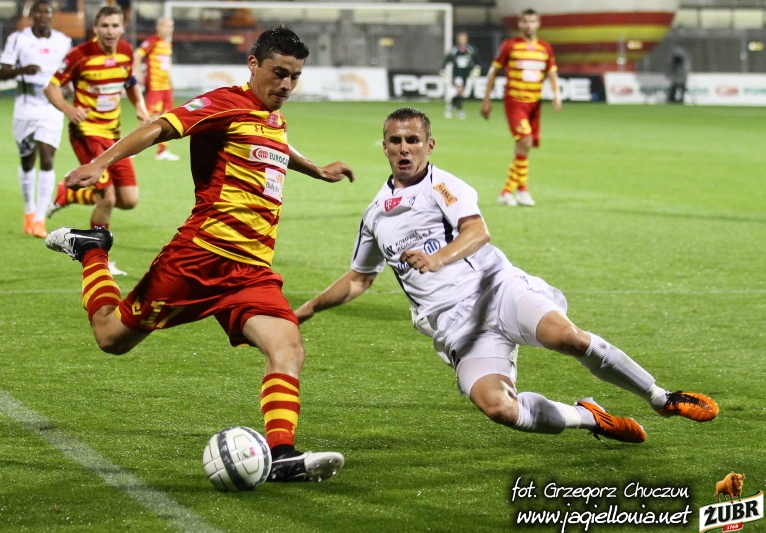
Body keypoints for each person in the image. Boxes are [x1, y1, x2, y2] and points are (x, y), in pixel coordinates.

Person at [295, 107, 718, 445]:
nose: (404, 149)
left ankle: (660, 397)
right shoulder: (374, 216)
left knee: (568, 337)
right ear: (384, 147)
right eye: (395, 141)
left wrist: (438, 259)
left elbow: (477, 231)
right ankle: (590, 417)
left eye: (413, 140)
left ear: (429, 145)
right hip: (455, 326)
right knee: (498, 407)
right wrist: (308, 309)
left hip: (497, 289)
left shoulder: (443, 186)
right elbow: (360, 278)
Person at [45, 26, 352, 483]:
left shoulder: (272, 118)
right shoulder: (223, 104)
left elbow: (278, 149)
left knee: (288, 348)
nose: (287, 85)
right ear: (253, 65)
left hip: (251, 270)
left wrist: (317, 170)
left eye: (295, 76)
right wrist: (101, 162)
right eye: (279, 73)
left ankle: (282, 454)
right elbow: (158, 127)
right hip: (199, 258)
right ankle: (92, 249)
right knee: (111, 337)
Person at [43, 5, 148, 243]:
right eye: (105, 26)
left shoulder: (125, 51)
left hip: (114, 135)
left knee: (129, 200)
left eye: (114, 26)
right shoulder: (80, 55)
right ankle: (98, 255)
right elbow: (51, 87)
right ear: (96, 28)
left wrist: (141, 108)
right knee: (107, 199)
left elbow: (130, 83)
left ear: (122, 28)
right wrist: (69, 109)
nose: (110, 31)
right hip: (86, 133)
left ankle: (68, 195)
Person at [0, 0, 72, 239]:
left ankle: (40, 218)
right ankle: (29, 212)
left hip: (51, 108)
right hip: (26, 107)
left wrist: (68, 89)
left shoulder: (63, 41)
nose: (42, 16)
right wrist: (23, 70)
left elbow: (70, 73)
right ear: (31, 15)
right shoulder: (18, 39)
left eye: (46, 12)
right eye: (37, 12)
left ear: (52, 15)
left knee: (47, 159)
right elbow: (1, 72)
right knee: (27, 162)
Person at [481, 9, 561, 207]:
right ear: (520, 24)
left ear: (538, 24)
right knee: (525, 140)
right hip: (515, 102)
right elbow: (493, 72)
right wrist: (486, 100)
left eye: (532, 21)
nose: (528, 25)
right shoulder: (510, 46)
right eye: (525, 21)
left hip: (535, 103)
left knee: (524, 146)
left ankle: (508, 191)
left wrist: (556, 95)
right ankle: (520, 190)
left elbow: (551, 73)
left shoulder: (545, 48)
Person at [133, 16, 179, 161]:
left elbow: (165, 67)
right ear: (158, 27)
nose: (169, 29)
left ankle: (162, 151)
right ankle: (131, 148)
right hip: (155, 87)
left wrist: (170, 81)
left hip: (166, 88)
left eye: (171, 26)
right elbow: (137, 55)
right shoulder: (152, 41)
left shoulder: (167, 44)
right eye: (166, 26)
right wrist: (139, 73)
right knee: (149, 119)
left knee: (168, 119)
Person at [440, 32, 481, 119]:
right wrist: (443, 70)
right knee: (460, 90)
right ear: (458, 39)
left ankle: (451, 106)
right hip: (457, 74)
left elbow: (477, 59)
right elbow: (447, 59)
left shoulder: (470, 49)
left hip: (466, 74)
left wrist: (477, 68)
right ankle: (460, 109)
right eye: (461, 38)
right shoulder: (455, 49)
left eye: (464, 38)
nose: (462, 40)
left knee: (461, 93)